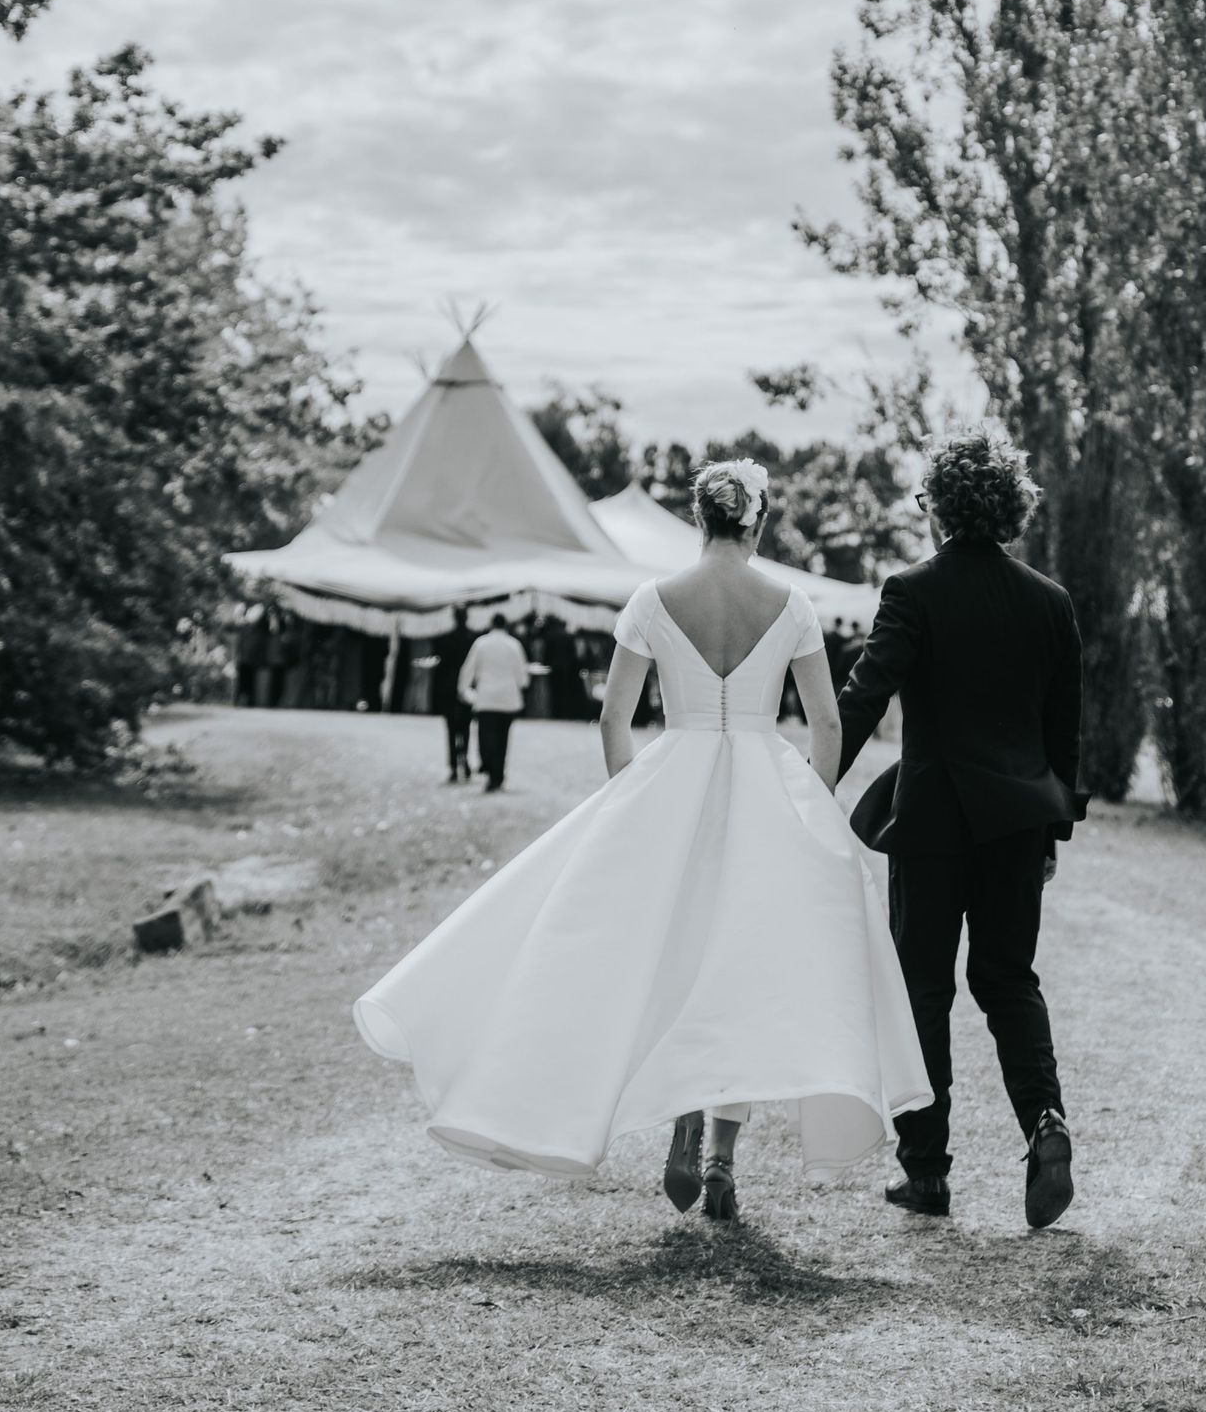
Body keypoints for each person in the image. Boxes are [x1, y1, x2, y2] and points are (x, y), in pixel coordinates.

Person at [353, 459, 928, 1214]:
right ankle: (720, 1158)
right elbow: (825, 722)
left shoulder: (653, 600)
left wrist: (634, 799)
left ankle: (684, 1122)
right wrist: (810, 810)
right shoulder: (791, 604)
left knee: (672, 958)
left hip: (673, 783)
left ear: (699, 519)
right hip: (764, 793)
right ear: (756, 521)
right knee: (740, 971)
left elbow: (613, 717)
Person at [836, 423, 1087, 1231]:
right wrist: (1052, 836)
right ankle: (1045, 1121)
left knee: (923, 988)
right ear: (1010, 507)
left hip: (933, 822)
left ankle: (927, 1174)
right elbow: (1064, 734)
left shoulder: (912, 590)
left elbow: (865, 696)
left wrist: (809, 780)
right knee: (1009, 979)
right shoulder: (1050, 601)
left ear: (938, 505)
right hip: (1019, 823)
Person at [458, 613, 531, 791]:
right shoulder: (514, 644)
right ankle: (498, 775)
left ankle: (488, 765)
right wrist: (521, 684)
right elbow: (522, 676)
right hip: (508, 698)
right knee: (503, 739)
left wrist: (463, 689)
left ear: (491, 624)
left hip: (487, 697)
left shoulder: (481, 643)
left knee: (486, 736)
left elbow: (468, 668)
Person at [430, 620, 476, 782]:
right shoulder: (472, 639)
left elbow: (441, 666)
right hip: (466, 687)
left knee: (451, 729)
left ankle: (454, 766)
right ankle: (465, 759)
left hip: (449, 689)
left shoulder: (446, 638)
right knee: (465, 727)